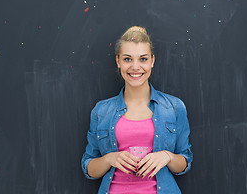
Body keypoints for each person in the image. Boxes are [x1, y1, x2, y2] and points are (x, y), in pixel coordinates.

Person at [81, 26, 193, 194]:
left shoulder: (174, 107)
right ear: (118, 61)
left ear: (152, 61)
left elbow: (184, 162)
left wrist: (166, 156)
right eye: (127, 59)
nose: (135, 67)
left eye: (143, 59)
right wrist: (109, 158)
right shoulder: (101, 111)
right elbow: (89, 168)